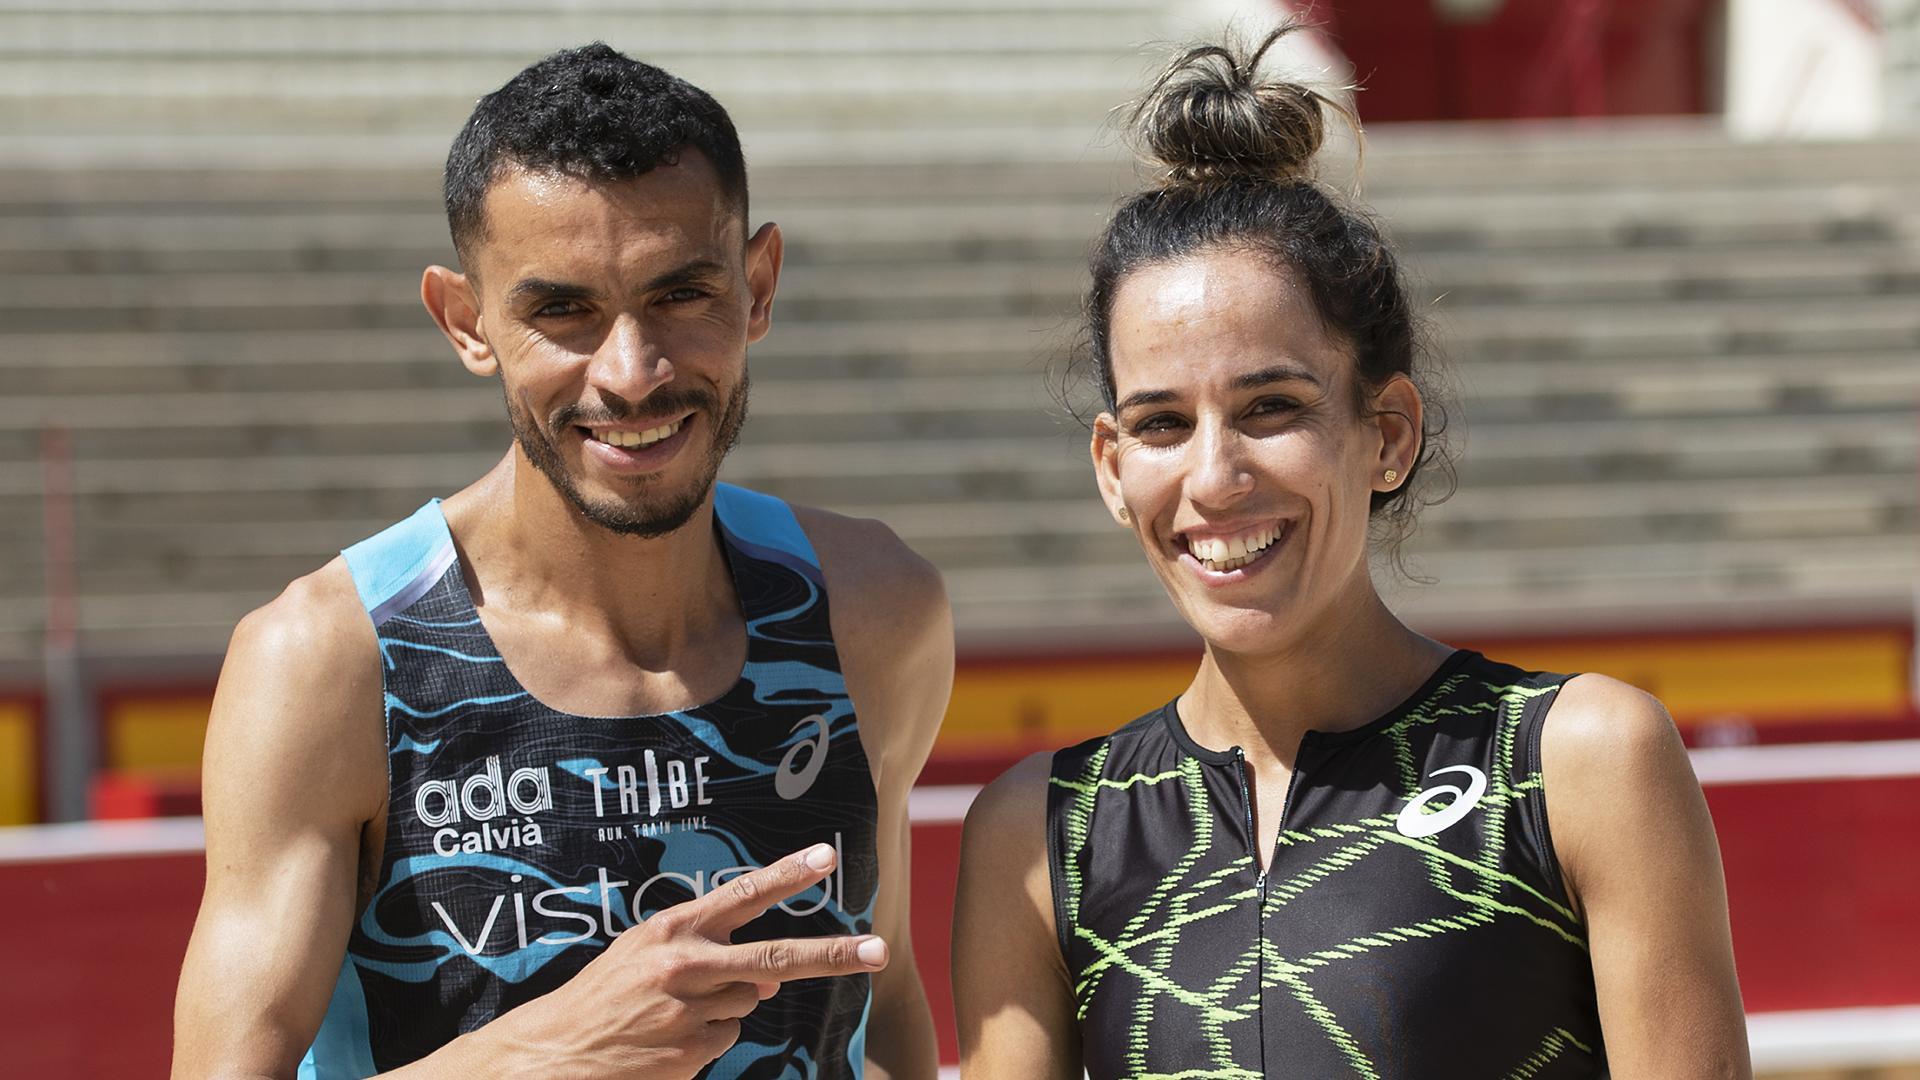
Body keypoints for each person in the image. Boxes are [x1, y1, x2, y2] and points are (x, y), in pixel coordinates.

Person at [951, 27, 1750, 1080]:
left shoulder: (1580, 760)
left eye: (1271, 406)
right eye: (1159, 424)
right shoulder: (1040, 833)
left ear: (1389, 434)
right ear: (1109, 465)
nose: (1213, 476)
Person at [171, 44, 949, 1080]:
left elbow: (878, 1009)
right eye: (564, 311)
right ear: (466, 321)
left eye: (682, 295)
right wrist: (551, 1048)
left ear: (757, 288)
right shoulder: (332, 660)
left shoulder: (869, 607)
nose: (632, 373)